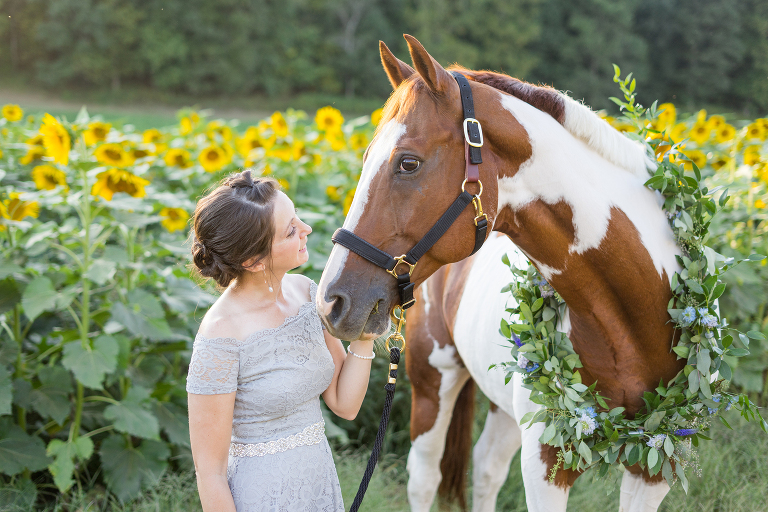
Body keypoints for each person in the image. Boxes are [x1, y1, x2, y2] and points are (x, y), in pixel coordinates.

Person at [186, 170, 375, 511]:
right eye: (291, 230)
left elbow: (344, 404)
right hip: (262, 497)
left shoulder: (305, 292)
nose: (307, 229)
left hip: (318, 484)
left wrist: (364, 341)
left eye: (297, 218)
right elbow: (209, 471)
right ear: (253, 261)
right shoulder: (220, 336)